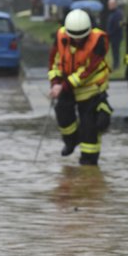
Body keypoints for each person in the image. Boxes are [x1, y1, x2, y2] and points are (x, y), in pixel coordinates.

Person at [48, 9, 112, 166]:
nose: (77, 40)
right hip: (66, 87)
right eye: (74, 37)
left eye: (81, 37)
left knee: (90, 127)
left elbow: (88, 70)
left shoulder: (98, 40)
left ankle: (89, 163)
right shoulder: (61, 36)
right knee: (62, 113)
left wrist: (64, 85)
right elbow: (54, 62)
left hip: (91, 89)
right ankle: (71, 141)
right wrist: (56, 82)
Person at [105, 0, 123, 71]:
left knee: (116, 51)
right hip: (112, 36)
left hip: (116, 36)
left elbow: (117, 26)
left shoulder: (118, 14)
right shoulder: (112, 13)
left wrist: (110, 33)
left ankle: (116, 64)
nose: (109, 6)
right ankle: (115, 64)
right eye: (108, 4)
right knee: (114, 51)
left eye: (110, 4)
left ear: (114, 4)